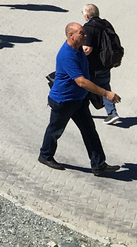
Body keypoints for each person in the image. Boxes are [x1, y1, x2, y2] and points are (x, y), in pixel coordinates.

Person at [39, 22, 120, 174]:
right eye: (82, 33)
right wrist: (106, 93)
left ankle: (98, 164)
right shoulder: (67, 55)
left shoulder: (78, 49)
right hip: (64, 101)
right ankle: (45, 156)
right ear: (71, 35)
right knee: (55, 130)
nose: (85, 36)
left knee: (89, 131)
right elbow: (81, 81)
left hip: (78, 100)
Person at [81, 4, 123, 125]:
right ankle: (112, 113)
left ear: (86, 15)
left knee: (85, 87)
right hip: (106, 63)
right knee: (105, 87)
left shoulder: (88, 27)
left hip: (93, 66)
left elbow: (87, 49)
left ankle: (81, 112)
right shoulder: (106, 23)